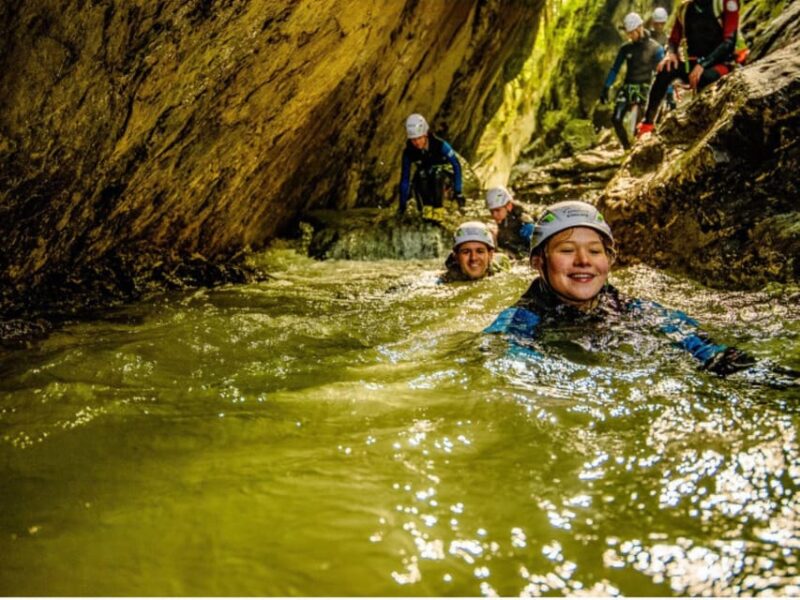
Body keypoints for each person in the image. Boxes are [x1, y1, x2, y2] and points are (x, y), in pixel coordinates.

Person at [484, 200, 772, 378]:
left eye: (595, 251)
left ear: (608, 260)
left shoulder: (627, 307)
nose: (584, 261)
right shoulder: (521, 320)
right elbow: (501, 359)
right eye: (567, 250)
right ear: (538, 262)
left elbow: (686, 335)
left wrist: (724, 360)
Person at [638, 0, 746, 136]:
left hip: (721, 64)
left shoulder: (726, 3)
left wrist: (703, 65)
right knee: (665, 69)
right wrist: (671, 54)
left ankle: (703, 123)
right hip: (694, 65)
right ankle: (647, 123)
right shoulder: (685, 9)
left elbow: (729, 42)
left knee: (706, 77)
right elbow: (673, 40)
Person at [600, 12, 664, 150]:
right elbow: (615, 69)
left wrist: (669, 94)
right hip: (628, 87)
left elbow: (663, 72)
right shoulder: (625, 49)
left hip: (645, 88)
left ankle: (639, 146)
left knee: (639, 125)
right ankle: (626, 148)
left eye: (631, 33)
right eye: (628, 33)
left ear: (640, 28)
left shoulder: (655, 48)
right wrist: (606, 87)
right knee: (616, 119)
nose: (629, 36)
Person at [398, 113, 465, 221]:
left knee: (437, 173)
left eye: (419, 138)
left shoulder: (440, 145)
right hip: (425, 182)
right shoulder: (409, 152)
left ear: (425, 134)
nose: (417, 143)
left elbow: (456, 165)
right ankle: (427, 211)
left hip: (443, 181)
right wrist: (402, 205)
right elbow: (405, 179)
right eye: (413, 140)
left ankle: (439, 211)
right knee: (421, 174)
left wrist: (458, 191)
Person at [439, 221, 511, 283]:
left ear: (490, 254)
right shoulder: (444, 281)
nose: (473, 258)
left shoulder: (502, 268)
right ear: (456, 257)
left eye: (480, 251)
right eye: (466, 252)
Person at [485, 186, 534, 259]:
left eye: (497, 210)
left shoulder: (524, 225)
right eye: (491, 211)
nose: (494, 215)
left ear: (509, 206)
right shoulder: (504, 218)